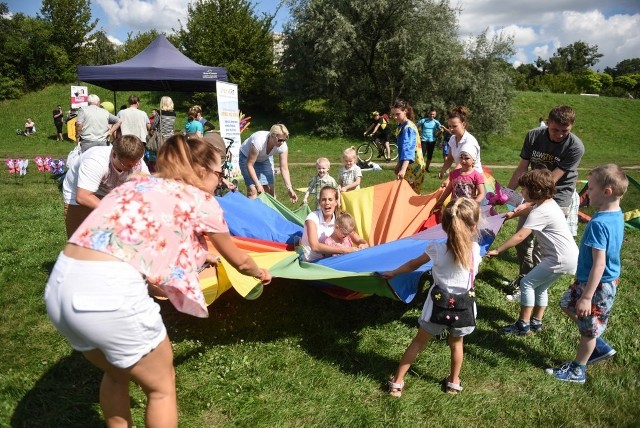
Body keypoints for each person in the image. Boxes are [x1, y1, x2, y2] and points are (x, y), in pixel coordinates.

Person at [45, 135, 272, 427]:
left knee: (116, 372)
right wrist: (261, 272)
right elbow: (239, 260)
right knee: (161, 387)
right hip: (109, 292)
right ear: (200, 171)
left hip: (62, 285)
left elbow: (133, 244)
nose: (220, 180)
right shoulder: (202, 201)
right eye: (219, 172)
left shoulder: (138, 184)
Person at [383, 198, 481, 396]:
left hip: (437, 307)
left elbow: (412, 265)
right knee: (456, 344)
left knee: (418, 342)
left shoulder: (436, 249)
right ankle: (453, 383)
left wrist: (394, 272)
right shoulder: (475, 250)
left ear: (445, 226)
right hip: (464, 309)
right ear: (474, 227)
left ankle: (397, 383)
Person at [546, 164, 628, 383]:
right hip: (593, 281)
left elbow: (599, 265)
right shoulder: (616, 215)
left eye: (590, 189)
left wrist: (586, 296)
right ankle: (597, 342)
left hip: (597, 285)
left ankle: (578, 370)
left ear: (606, 192)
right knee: (566, 303)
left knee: (587, 332)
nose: (586, 193)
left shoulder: (598, 224)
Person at [487, 169, 579, 335]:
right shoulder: (548, 204)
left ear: (534, 190)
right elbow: (528, 209)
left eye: (523, 189)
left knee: (527, 283)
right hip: (568, 256)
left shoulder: (540, 211)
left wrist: (497, 250)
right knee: (540, 288)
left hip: (558, 258)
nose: (521, 192)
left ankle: (523, 324)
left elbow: (520, 235)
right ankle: (536, 322)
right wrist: (510, 215)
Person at [505, 105, 585, 290]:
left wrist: (528, 205)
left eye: (564, 131)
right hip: (534, 190)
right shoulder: (534, 136)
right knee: (523, 241)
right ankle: (524, 278)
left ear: (571, 127)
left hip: (558, 194)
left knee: (542, 245)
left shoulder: (575, 146)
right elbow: (522, 168)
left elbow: (551, 182)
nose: (559, 135)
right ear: (548, 123)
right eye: (555, 129)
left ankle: (534, 285)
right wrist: (506, 194)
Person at [62, 135, 149, 238]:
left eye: (135, 164)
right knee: (79, 238)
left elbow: (149, 189)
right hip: (80, 191)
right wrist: (115, 212)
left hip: (110, 191)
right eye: (127, 165)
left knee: (110, 238)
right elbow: (83, 197)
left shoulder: (137, 163)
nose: (132, 168)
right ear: (114, 155)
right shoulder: (95, 161)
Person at [300, 186, 368, 261]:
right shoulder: (312, 218)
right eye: (323, 200)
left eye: (330, 199)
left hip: (332, 260)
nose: (327, 203)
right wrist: (345, 250)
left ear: (336, 202)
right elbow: (315, 246)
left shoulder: (340, 220)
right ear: (319, 202)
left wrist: (364, 244)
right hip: (311, 261)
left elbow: (358, 240)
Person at [238, 124, 298, 203]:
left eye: (284, 140)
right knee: (252, 190)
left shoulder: (283, 146)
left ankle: (269, 214)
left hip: (264, 159)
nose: (282, 142)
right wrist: (257, 184)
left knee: (270, 190)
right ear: (272, 136)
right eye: (280, 140)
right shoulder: (259, 142)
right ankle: (252, 213)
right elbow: (249, 165)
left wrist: (289, 188)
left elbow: (284, 168)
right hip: (246, 157)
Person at [438, 106, 483, 187]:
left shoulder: (469, 141)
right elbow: (450, 158)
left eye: (454, 126)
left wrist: (449, 179)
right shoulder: (452, 138)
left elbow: (462, 163)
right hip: (461, 176)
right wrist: (443, 170)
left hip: (473, 180)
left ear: (463, 124)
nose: (451, 129)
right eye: (450, 126)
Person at [391, 99, 426, 194]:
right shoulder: (401, 126)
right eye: (393, 114)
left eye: (397, 114)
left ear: (405, 111)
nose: (394, 117)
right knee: (402, 194)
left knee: (409, 196)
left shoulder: (408, 128)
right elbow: (402, 149)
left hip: (414, 167)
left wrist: (403, 169)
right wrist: (399, 164)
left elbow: (408, 149)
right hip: (407, 165)